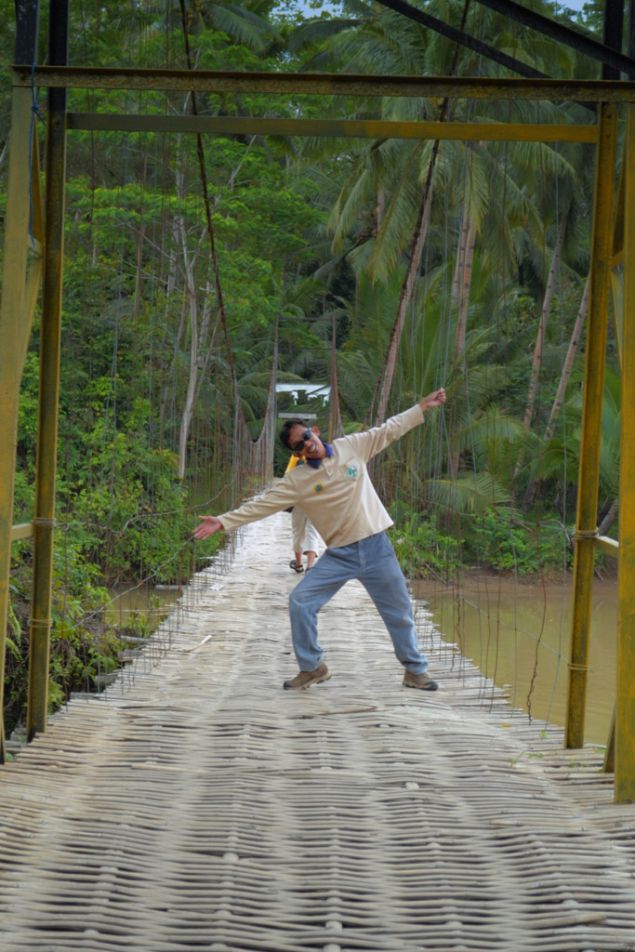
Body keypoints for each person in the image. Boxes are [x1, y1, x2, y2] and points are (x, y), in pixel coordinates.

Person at [194, 388, 446, 691]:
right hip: (340, 554)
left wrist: (420, 407)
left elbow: (389, 430)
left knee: (400, 610)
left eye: (306, 437)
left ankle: (415, 671)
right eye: (299, 447)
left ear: (315, 432)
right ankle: (313, 667)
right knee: (300, 601)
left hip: (376, 547)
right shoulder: (298, 481)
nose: (307, 446)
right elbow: (260, 505)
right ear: (296, 453)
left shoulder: (352, 447)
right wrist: (222, 522)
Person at [285, 453, 322, 573]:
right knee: (313, 532)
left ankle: (299, 564)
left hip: (299, 499)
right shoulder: (322, 456)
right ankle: (310, 567)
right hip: (316, 500)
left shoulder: (297, 456)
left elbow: (288, 477)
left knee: (298, 531)